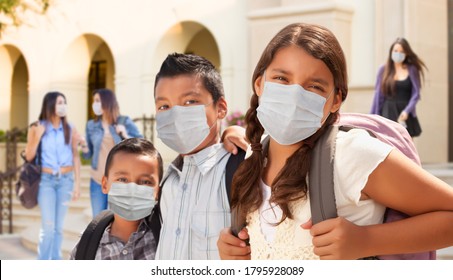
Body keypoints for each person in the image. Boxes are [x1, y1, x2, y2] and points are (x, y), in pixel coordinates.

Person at [217, 22, 453, 260]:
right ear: (259, 83)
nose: (296, 95)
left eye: (314, 87)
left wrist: (367, 240)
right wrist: (235, 250)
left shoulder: (351, 154)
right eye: (282, 78)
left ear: (336, 100)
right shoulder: (254, 154)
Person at [153, 53, 238, 260]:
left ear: (221, 108)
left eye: (190, 101)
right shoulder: (167, 182)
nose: (175, 114)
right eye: (164, 106)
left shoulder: (239, 171)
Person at [70, 137, 163, 260]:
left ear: (158, 192)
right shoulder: (85, 248)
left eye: (145, 182)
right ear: (104, 184)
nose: (132, 189)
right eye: (122, 179)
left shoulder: (166, 240)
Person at [24, 91, 81, 260]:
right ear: (50, 105)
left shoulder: (70, 128)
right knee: (48, 227)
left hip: (66, 181)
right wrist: (37, 137)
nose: (63, 105)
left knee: (58, 228)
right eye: (59, 102)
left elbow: (75, 155)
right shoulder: (37, 127)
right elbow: (28, 156)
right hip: (46, 182)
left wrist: (77, 185)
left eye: (64, 102)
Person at [79, 88, 143, 218]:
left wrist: (125, 134)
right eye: (94, 101)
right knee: (98, 221)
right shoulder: (91, 125)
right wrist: (84, 146)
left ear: (106, 102)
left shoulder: (124, 121)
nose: (94, 104)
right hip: (97, 180)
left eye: (97, 100)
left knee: (116, 220)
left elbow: (142, 145)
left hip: (119, 181)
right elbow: (88, 155)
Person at [370, 38, 427, 137]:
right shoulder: (383, 69)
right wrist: (374, 118)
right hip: (387, 112)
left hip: (405, 115)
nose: (398, 54)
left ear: (406, 53)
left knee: (406, 149)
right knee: (389, 147)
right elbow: (378, 96)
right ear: (391, 52)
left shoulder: (412, 69)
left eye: (402, 51)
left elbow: (416, 94)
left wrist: (407, 111)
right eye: (395, 51)